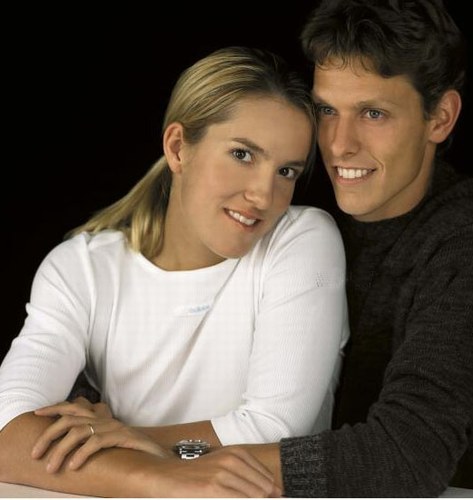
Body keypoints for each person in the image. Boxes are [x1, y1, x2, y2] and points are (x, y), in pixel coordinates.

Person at [42, 0, 472, 497]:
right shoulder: (292, 200)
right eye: (326, 110)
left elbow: (407, 457)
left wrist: (142, 446)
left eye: (373, 113)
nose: (338, 145)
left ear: (440, 118)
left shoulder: (459, 244)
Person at [0, 46, 349, 497]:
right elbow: (7, 430)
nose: (264, 195)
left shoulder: (301, 239)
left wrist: (125, 441)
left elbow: (276, 429)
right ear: (178, 148)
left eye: (286, 171)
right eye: (242, 154)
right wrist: (161, 477)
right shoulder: (82, 269)